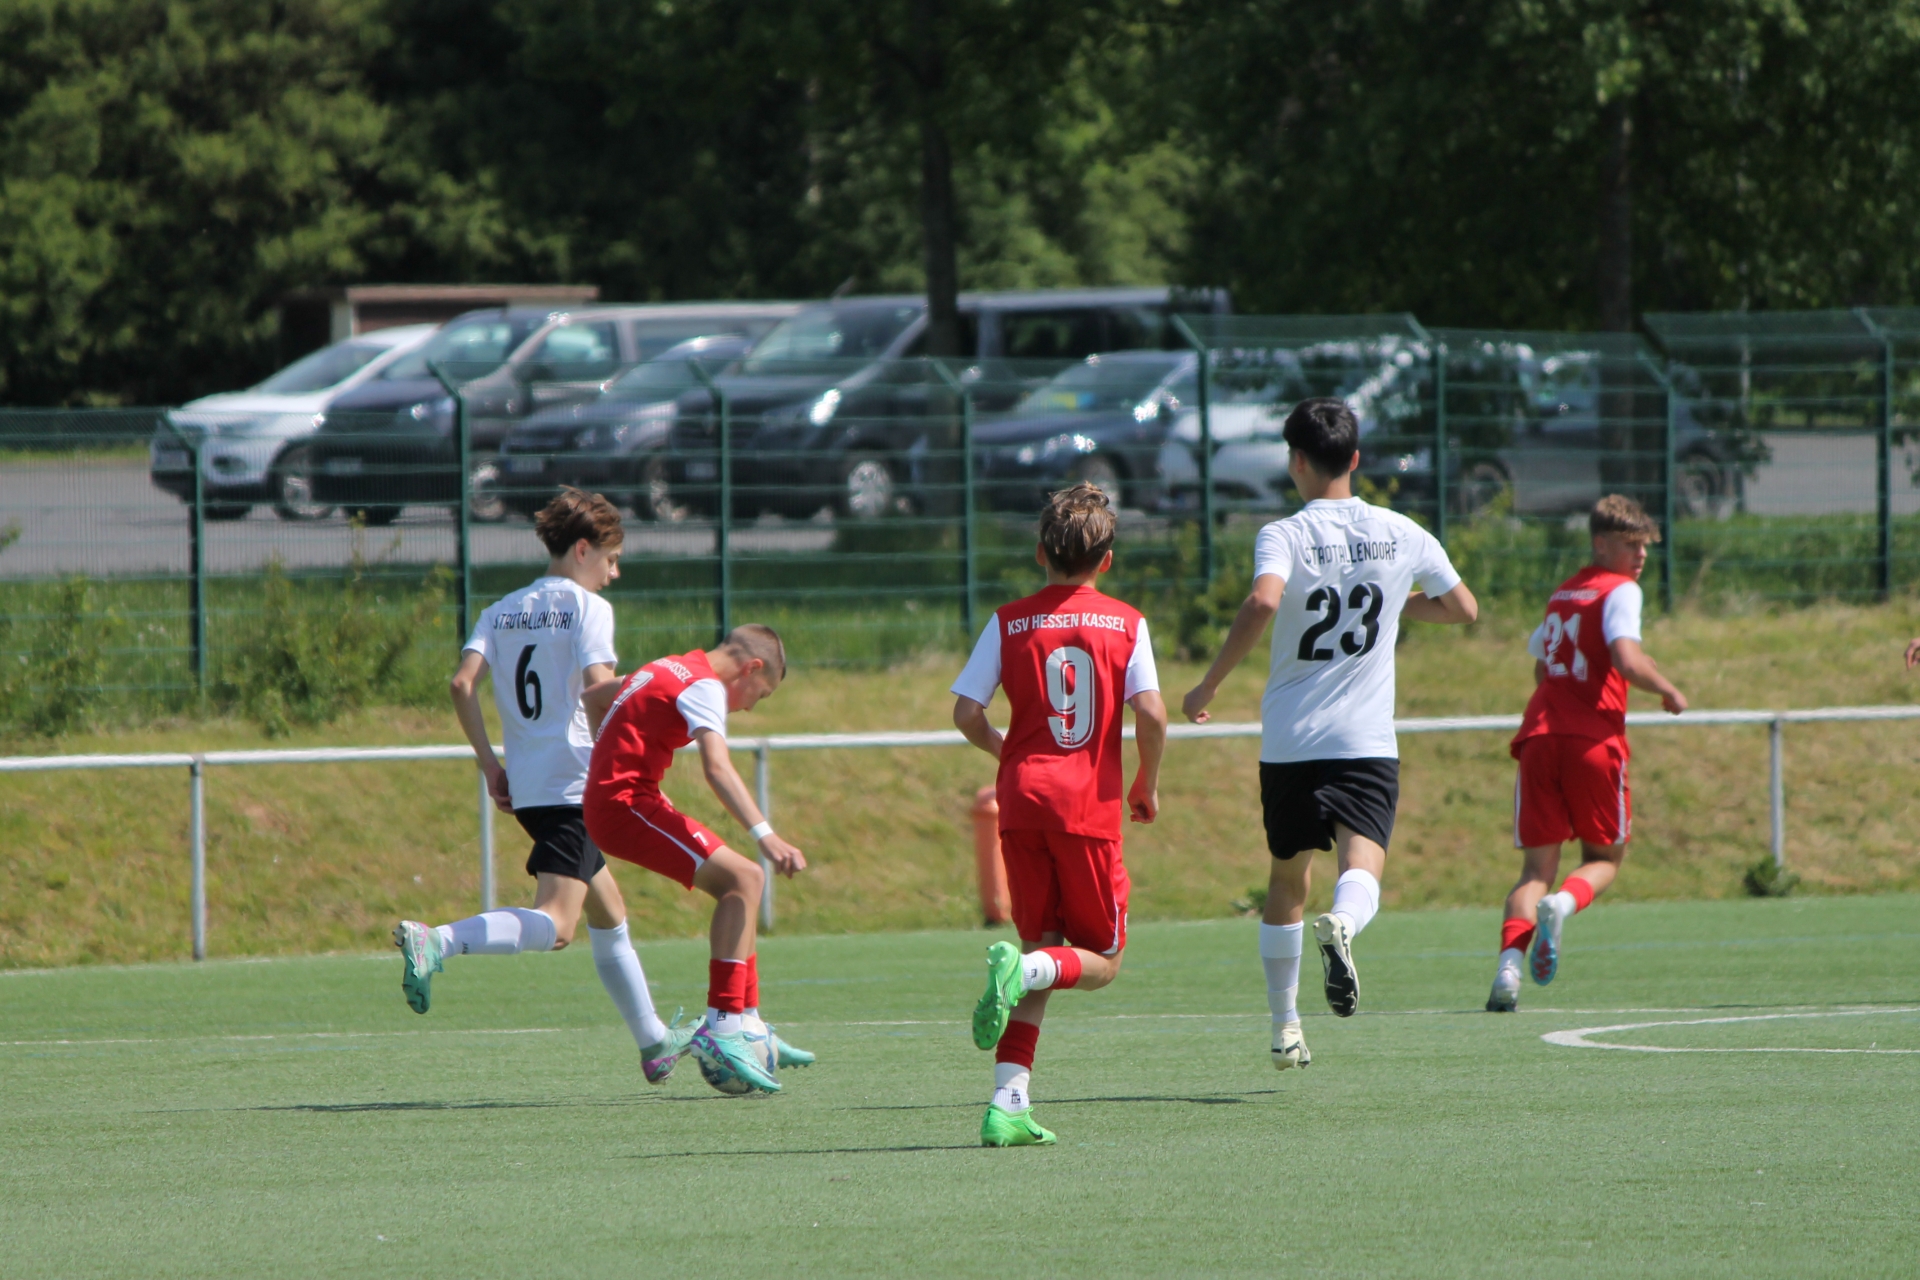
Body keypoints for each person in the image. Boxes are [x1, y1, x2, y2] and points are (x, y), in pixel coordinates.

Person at [1181, 398, 1477, 1067]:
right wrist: (1394, 604)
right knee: (1361, 866)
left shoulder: (1283, 534)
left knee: (1287, 881)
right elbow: (1463, 608)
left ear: (1296, 461)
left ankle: (1285, 1027)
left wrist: (1208, 685)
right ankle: (1343, 924)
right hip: (1364, 741)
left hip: (1290, 739)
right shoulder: (1402, 531)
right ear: (1356, 459)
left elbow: (1264, 598)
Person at [395, 488, 694, 1083]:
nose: (615, 572)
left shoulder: (502, 609)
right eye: (611, 559)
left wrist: (491, 766)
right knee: (557, 925)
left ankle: (654, 1042)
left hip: (530, 787)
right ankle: (438, 941)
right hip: (576, 785)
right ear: (582, 549)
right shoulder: (587, 608)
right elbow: (599, 690)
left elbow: (461, 684)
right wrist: (661, 702)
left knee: (608, 912)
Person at [955, 482, 1168, 1148]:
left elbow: (966, 712)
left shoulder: (1007, 621)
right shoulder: (1126, 623)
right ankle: (1022, 974)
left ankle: (1008, 1103)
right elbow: (1152, 712)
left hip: (1020, 803)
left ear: (1040, 553)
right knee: (1101, 961)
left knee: (1045, 946)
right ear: (1107, 561)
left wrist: (1011, 753)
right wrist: (1145, 780)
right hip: (1085, 809)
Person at [579, 625, 811, 1095]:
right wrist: (766, 835)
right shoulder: (705, 685)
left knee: (745, 881)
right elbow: (717, 767)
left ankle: (747, 1023)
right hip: (623, 807)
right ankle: (723, 1030)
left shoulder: (667, 666)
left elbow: (594, 697)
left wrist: (609, 760)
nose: (750, 707)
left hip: (623, 801)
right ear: (751, 668)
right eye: (760, 694)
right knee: (744, 878)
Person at [1486, 495, 1687, 1012]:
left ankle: (1508, 971)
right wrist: (1666, 687)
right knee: (1603, 859)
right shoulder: (1621, 591)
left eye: (1645, 545)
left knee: (1534, 871)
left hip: (1539, 736)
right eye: (1630, 544)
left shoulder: (1564, 592)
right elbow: (1625, 657)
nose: (1641, 555)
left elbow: (1542, 665)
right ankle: (1562, 905)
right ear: (1601, 544)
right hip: (1592, 741)